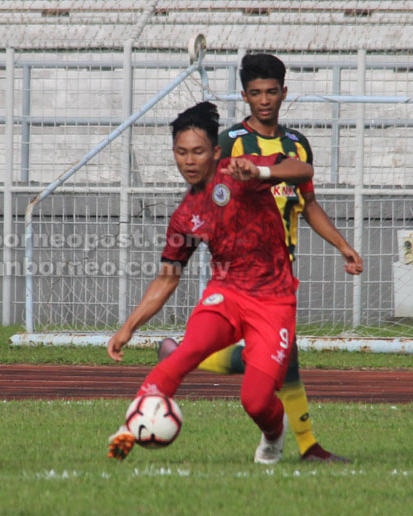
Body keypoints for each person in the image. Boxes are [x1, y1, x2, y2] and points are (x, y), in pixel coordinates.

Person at [157, 53, 363, 463]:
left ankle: (185, 355)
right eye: (255, 93)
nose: (264, 101)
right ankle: (308, 446)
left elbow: (308, 203)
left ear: (284, 93)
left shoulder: (296, 145)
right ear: (244, 96)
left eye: (271, 92)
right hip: (242, 273)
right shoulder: (230, 143)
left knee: (284, 359)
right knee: (281, 358)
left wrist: (341, 244)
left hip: (281, 268)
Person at [107, 101, 314, 464]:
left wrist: (260, 174)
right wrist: (128, 328)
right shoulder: (184, 216)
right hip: (227, 293)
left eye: (198, 151)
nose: (189, 160)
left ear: (215, 152)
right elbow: (167, 278)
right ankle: (131, 427)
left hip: (273, 300)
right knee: (185, 352)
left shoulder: (239, 171)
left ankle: (275, 432)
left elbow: (302, 169)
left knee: (255, 400)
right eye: (182, 152)